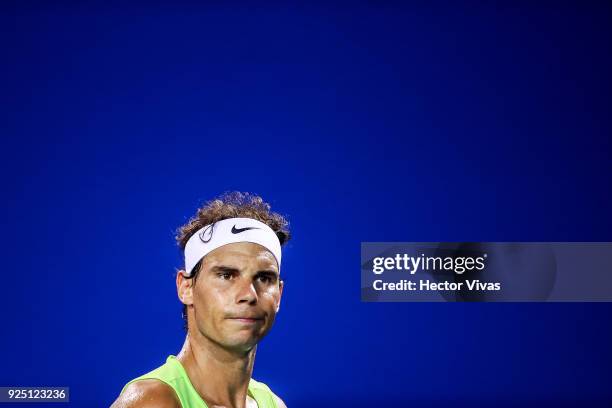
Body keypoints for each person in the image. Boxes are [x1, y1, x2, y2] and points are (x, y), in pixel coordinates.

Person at [111, 192, 290, 408]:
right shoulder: (153, 401)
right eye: (226, 275)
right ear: (186, 287)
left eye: (263, 278)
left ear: (278, 295)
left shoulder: (273, 404)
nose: (249, 294)